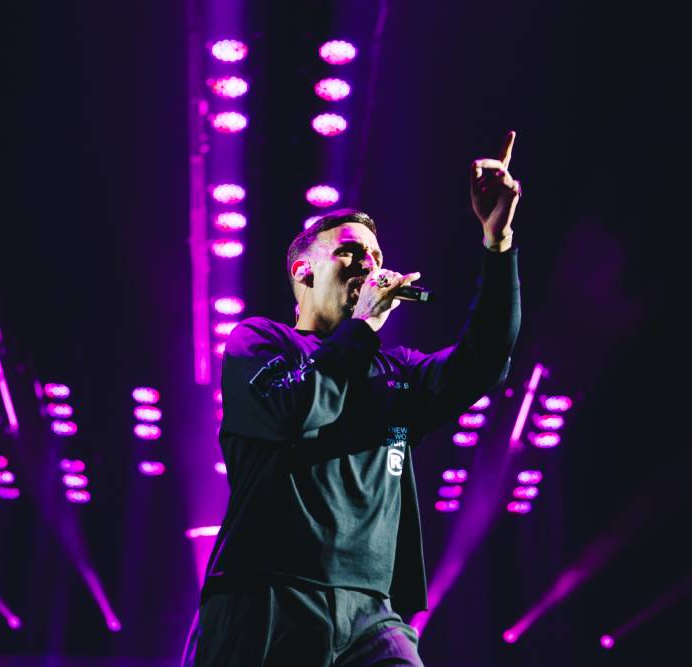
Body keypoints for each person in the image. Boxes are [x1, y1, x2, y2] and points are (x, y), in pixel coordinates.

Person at [182, 132, 523, 666]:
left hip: (373, 612)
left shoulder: (396, 372)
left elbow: (484, 360)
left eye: (376, 254)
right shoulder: (260, 342)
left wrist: (497, 243)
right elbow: (297, 411)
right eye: (350, 251)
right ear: (303, 271)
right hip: (268, 593)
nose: (369, 262)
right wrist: (362, 326)